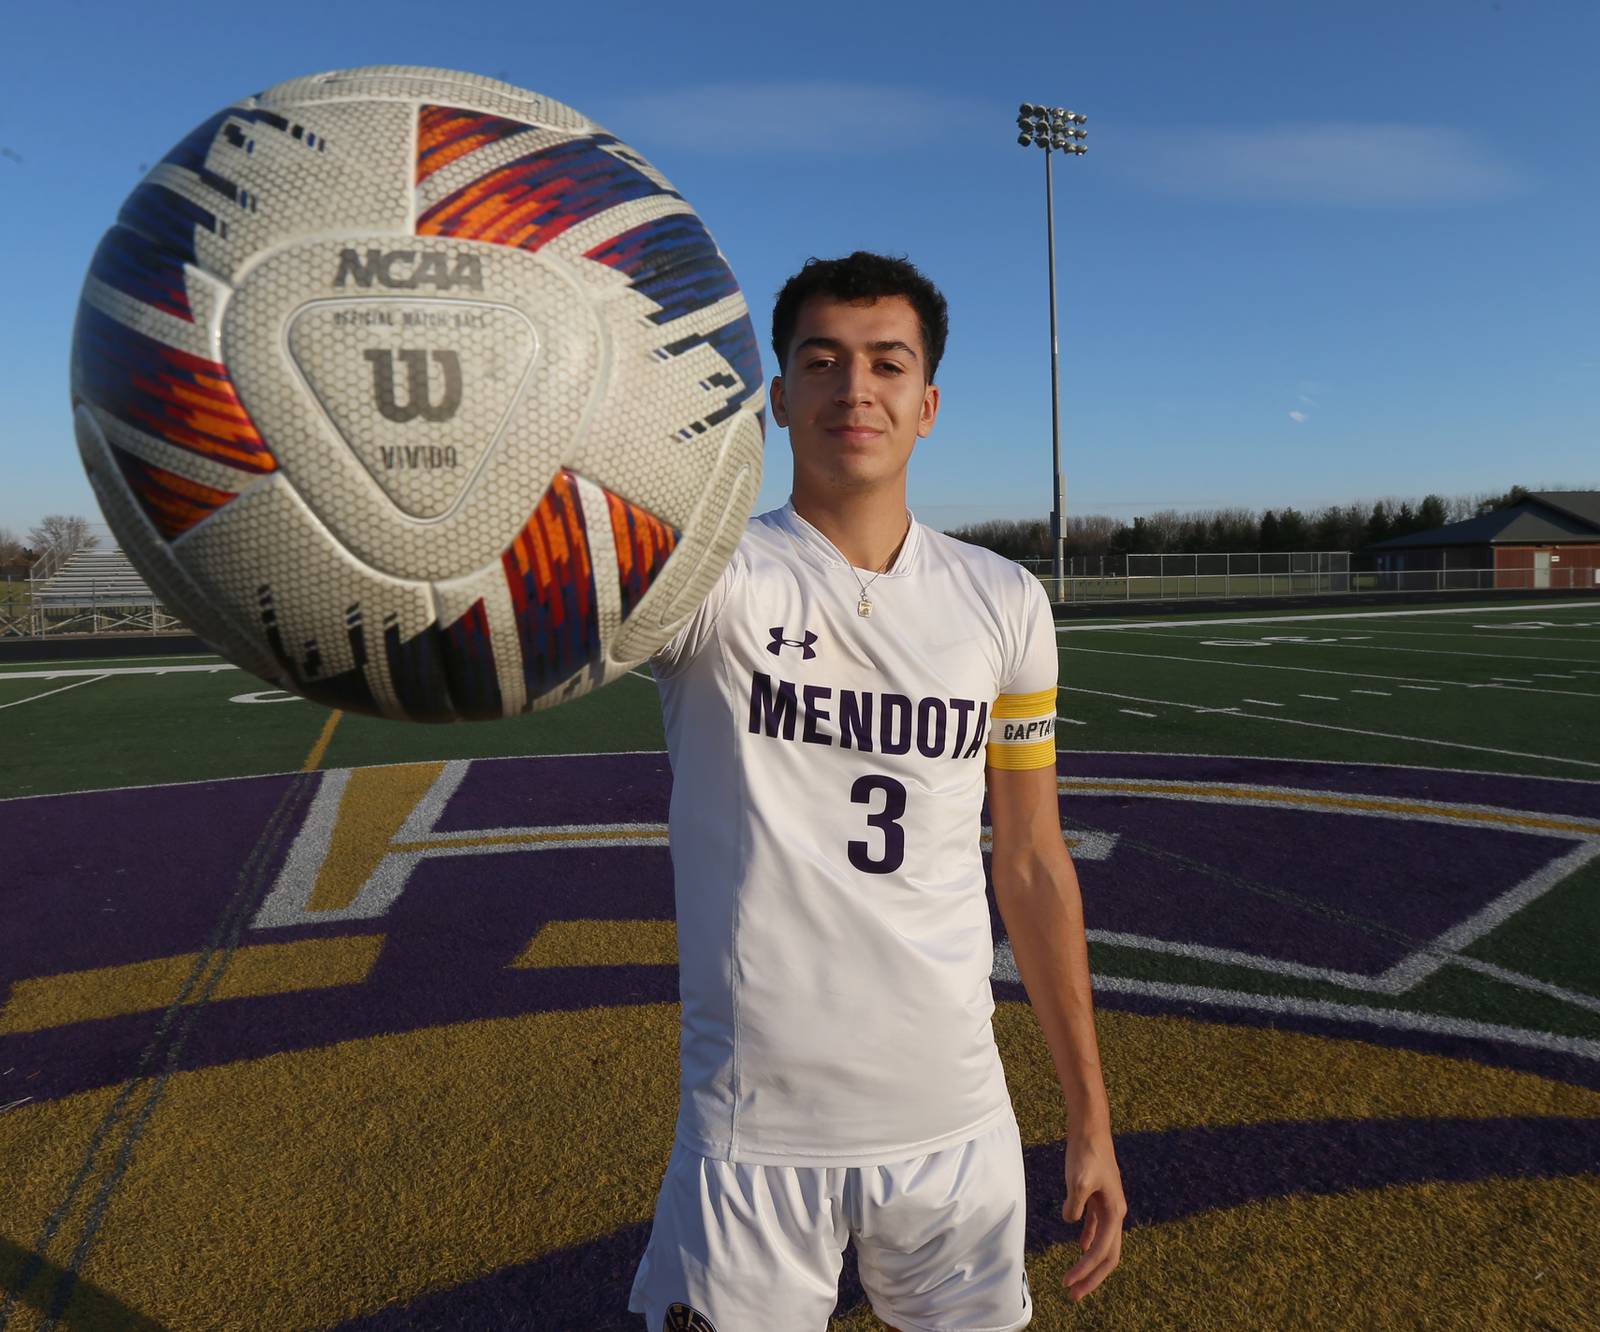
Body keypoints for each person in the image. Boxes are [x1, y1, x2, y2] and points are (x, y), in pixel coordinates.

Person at [629, 251, 1124, 1332]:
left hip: (954, 1125)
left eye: (886, 364)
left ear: (928, 403)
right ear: (776, 400)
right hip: (754, 1132)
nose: (855, 389)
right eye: (822, 361)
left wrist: (1088, 1114)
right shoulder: (707, 582)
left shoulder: (1004, 601)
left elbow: (1032, 862)